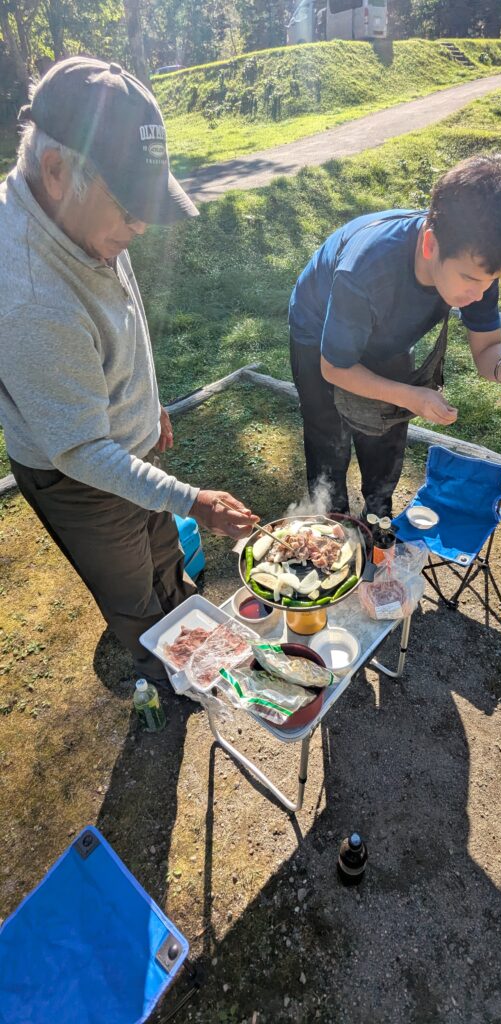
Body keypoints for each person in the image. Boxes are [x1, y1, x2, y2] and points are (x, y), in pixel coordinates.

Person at [0, 57, 258, 683]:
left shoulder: (84, 222)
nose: (140, 226)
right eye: (128, 206)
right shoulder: (28, 294)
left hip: (119, 440)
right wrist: (193, 499)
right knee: (133, 591)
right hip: (78, 472)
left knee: (164, 549)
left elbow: (123, 319)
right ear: (56, 170)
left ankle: (185, 624)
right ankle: (164, 672)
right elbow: (82, 449)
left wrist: (148, 403)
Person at [288, 157, 501, 520]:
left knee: (389, 429)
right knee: (328, 431)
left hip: (387, 332)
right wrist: (412, 395)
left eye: (490, 282)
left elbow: (488, 348)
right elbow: (335, 368)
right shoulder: (364, 271)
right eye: (469, 280)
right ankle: (332, 522)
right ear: (430, 245)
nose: (479, 294)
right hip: (318, 332)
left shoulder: (477, 265)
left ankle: (377, 517)